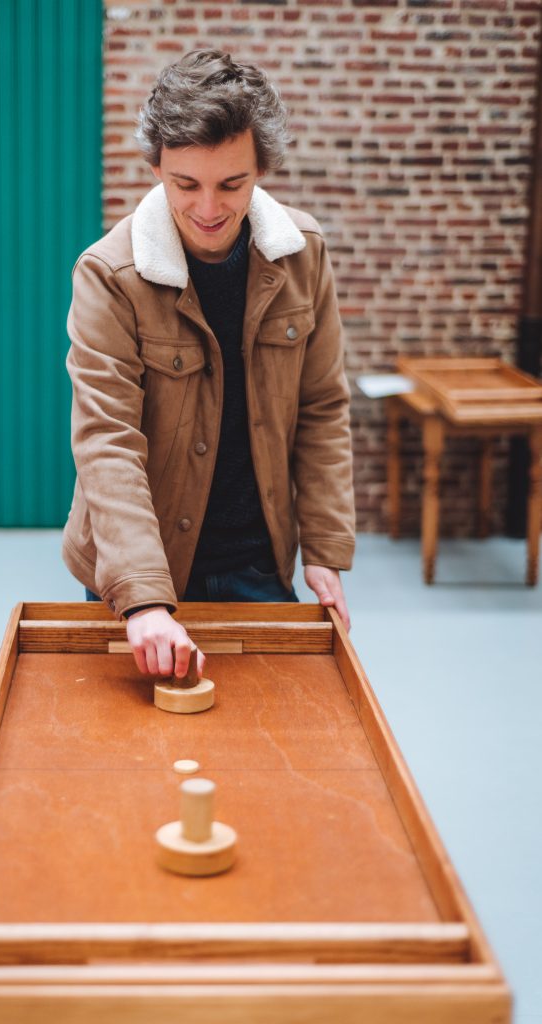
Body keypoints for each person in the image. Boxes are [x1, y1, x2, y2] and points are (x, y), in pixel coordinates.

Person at [63, 49, 355, 681]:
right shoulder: (108, 275)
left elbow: (323, 406)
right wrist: (143, 596)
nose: (207, 210)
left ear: (262, 169)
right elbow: (106, 440)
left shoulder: (304, 254)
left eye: (232, 184)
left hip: (258, 559)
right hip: (141, 564)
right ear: (157, 168)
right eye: (184, 184)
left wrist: (326, 548)